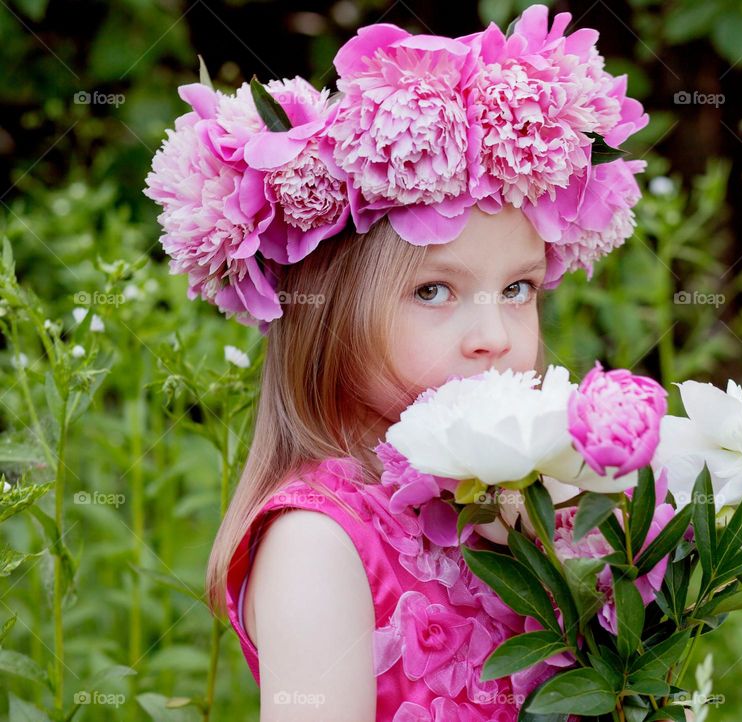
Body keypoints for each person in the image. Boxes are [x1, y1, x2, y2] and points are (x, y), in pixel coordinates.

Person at [144, 4, 651, 719]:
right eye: (434, 290)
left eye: (517, 288)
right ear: (327, 317)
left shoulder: (527, 496)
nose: (494, 336)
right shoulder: (318, 544)